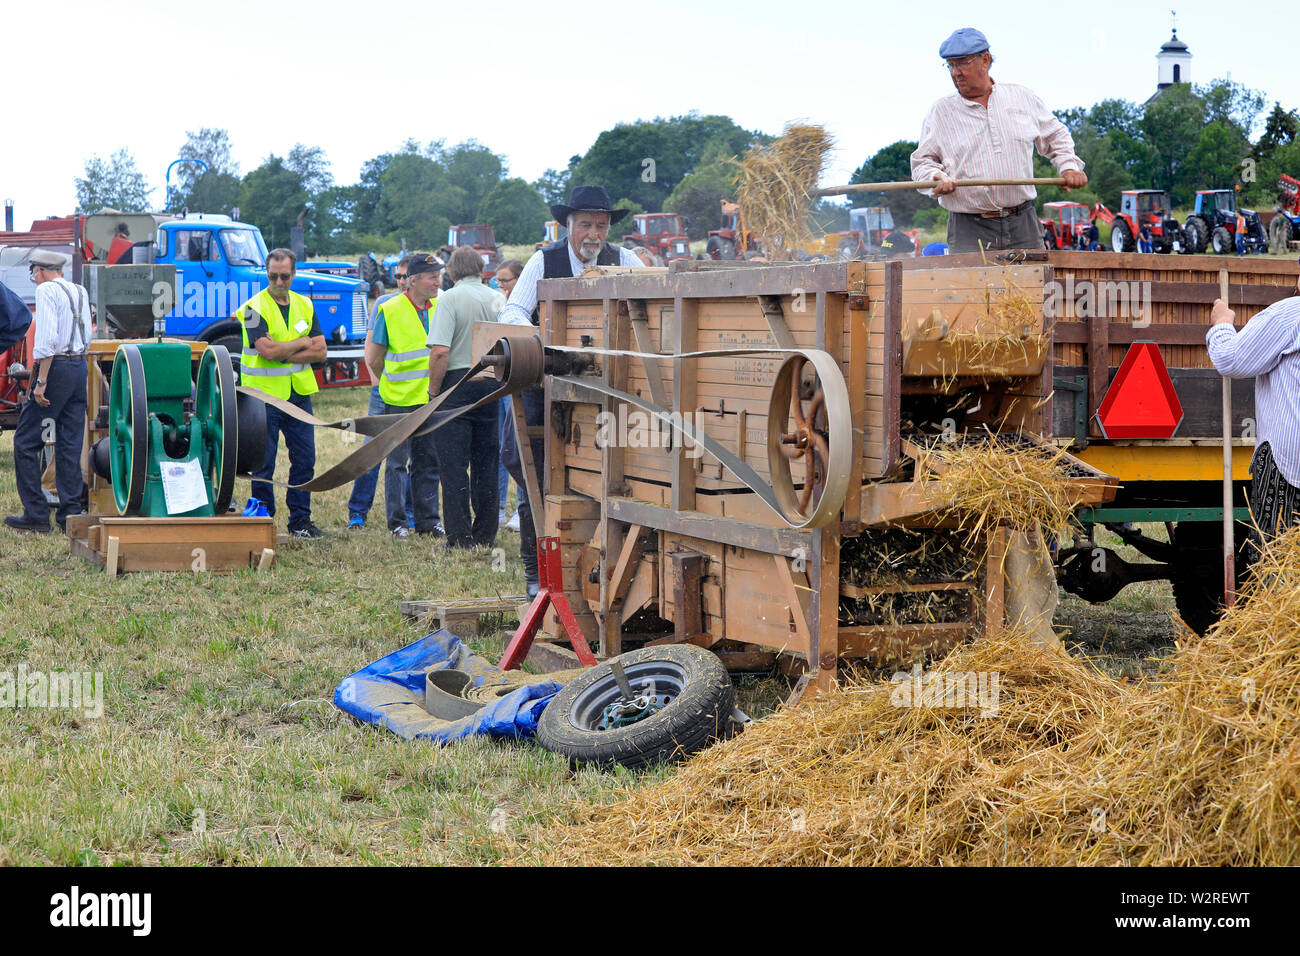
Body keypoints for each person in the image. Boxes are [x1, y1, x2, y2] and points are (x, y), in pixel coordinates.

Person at [498, 185, 644, 595]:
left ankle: (595, 572)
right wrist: (540, 353)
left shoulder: (625, 260)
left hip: (606, 392)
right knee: (537, 478)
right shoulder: (545, 260)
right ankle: (536, 575)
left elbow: (654, 302)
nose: (593, 234)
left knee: (604, 481)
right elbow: (513, 311)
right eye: (584, 225)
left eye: (600, 224)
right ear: (567, 226)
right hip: (544, 388)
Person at [911, 28, 1087, 254]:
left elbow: (1056, 135)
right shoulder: (941, 112)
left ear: (985, 60)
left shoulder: (1022, 98)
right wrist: (935, 177)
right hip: (969, 230)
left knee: (1031, 288)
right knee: (971, 290)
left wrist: (1069, 166)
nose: (956, 73)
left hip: (1024, 224)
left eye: (962, 63)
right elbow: (921, 163)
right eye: (951, 65)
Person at [236, 248, 328, 538]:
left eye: (284, 276)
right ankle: (264, 521)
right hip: (264, 398)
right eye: (273, 275)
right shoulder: (251, 309)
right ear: (267, 273)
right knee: (263, 464)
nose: (278, 281)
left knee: (305, 460)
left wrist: (283, 351)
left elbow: (322, 351)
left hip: (298, 395)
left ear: (294, 274)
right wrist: (302, 342)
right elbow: (267, 350)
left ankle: (300, 522)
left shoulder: (305, 304)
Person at [1207, 264, 1300, 542]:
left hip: (1289, 468)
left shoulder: (1291, 315)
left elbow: (1230, 359)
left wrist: (1222, 322)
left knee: (1276, 560)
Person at [346, 255, 437, 532]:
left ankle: (426, 520)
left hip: (429, 398)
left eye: (438, 276)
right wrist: (387, 383)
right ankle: (392, 521)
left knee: (427, 462)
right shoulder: (389, 308)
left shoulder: (439, 306)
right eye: (432, 277)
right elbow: (373, 357)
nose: (437, 281)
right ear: (413, 281)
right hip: (396, 398)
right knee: (393, 462)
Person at [5, 250, 91, 534]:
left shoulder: (46, 292)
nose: (34, 278)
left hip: (56, 371)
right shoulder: (79, 290)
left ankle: (36, 514)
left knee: (26, 442)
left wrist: (40, 381)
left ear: (40, 271)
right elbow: (86, 334)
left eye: (33, 273)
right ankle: (70, 514)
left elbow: (46, 340)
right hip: (79, 368)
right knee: (69, 442)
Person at [426, 246, 502, 549]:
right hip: (492, 381)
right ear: (481, 269)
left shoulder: (449, 299)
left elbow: (440, 351)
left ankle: (459, 537)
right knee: (486, 462)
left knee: (453, 464)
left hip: (456, 383)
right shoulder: (498, 298)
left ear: (453, 272)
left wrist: (434, 392)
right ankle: (485, 533)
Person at [493, 258, 524, 531]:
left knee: (521, 448)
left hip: (522, 383)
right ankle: (499, 508)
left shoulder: (528, 307)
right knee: (503, 446)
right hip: (503, 384)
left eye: (505, 280)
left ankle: (520, 509)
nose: (501, 285)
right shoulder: (501, 304)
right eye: (498, 281)